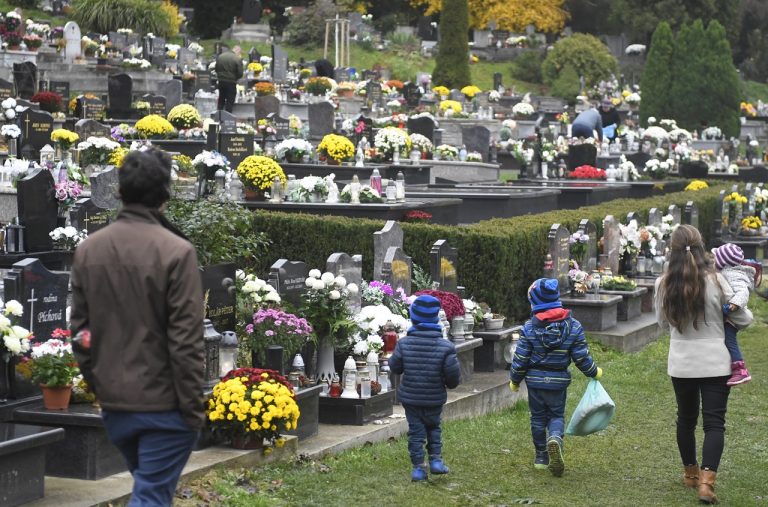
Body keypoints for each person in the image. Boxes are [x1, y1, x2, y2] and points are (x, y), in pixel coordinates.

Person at [71, 149, 205, 507]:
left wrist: (100, 384)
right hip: (164, 407)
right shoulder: (177, 252)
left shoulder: (89, 250)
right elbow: (186, 341)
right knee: (152, 496)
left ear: (120, 192)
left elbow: (81, 335)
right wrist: (193, 411)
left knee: (150, 489)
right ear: (164, 195)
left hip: (116, 407)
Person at [655, 225, 753, 504]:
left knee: (685, 419)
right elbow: (744, 318)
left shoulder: (663, 283)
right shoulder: (717, 280)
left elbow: (663, 323)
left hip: (682, 362)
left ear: (672, 251)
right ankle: (707, 484)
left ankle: (690, 474)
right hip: (716, 361)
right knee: (714, 424)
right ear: (701, 247)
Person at [509, 278, 602, 477]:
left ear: (535, 303)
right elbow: (581, 356)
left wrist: (515, 380)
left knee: (537, 418)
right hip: (558, 383)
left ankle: (541, 456)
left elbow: (521, 358)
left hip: (535, 382)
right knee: (556, 416)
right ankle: (555, 439)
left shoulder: (529, 329)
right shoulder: (574, 326)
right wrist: (594, 372)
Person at [388, 295, 461, 482]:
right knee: (434, 427)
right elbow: (453, 377)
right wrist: (448, 384)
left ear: (413, 318)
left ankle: (419, 469)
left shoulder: (404, 343)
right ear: (436, 318)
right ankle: (436, 460)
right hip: (434, 398)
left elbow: (395, 367)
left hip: (411, 398)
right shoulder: (446, 347)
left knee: (416, 432)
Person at [712, 243, 755, 386]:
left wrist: (733, 306)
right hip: (731, 314)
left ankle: (740, 370)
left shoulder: (732, 274)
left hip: (733, 314)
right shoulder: (727, 271)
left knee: (729, 340)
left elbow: (743, 292)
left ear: (722, 261)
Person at [215, 45, 243, 112]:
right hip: (231, 82)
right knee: (230, 100)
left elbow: (216, 69)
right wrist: (235, 78)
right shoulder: (237, 58)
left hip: (221, 81)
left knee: (221, 99)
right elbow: (240, 73)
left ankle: (219, 115)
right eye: (240, 53)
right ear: (237, 51)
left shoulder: (221, 56)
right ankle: (228, 117)